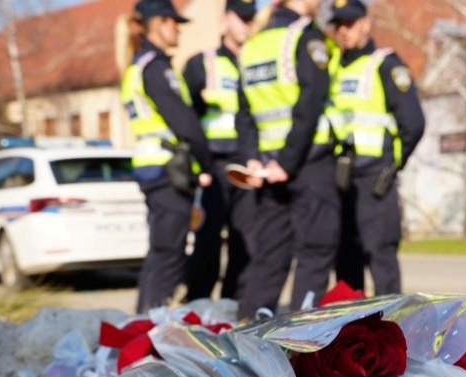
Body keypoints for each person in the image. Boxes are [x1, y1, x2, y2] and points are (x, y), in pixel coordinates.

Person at [236, 0, 341, 320]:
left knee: (269, 255)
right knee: (315, 251)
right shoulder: (305, 36)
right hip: (307, 162)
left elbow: (244, 112)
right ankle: (301, 337)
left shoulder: (253, 44)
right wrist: (287, 161)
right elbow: (310, 102)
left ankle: (247, 331)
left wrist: (253, 159)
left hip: (268, 167)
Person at [121, 0, 214, 313]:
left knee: (160, 253)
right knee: (169, 256)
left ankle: (142, 323)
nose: (178, 30)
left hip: (154, 169)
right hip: (168, 170)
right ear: (159, 23)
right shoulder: (156, 67)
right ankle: (150, 325)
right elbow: (185, 124)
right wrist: (207, 164)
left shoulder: (139, 64)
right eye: (174, 23)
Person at [329, 0, 425, 295]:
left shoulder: (384, 64)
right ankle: (351, 320)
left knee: (380, 255)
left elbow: (413, 123)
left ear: (365, 24)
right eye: (339, 25)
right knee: (345, 257)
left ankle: (391, 321)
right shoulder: (332, 67)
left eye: (350, 24)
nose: (343, 31)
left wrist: (393, 164)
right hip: (340, 177)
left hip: (374, 179)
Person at [181, 0, 259, 302]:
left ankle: (231, 307)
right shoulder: (202, 63)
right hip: (212, 165)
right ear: (226, 19)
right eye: (241, 18)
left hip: (246, 164)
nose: (247, 25)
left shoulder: (257, 64)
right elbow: (185, 119)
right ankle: (197, 306)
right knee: (207, 241)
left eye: (251, 19)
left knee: (245, 241)